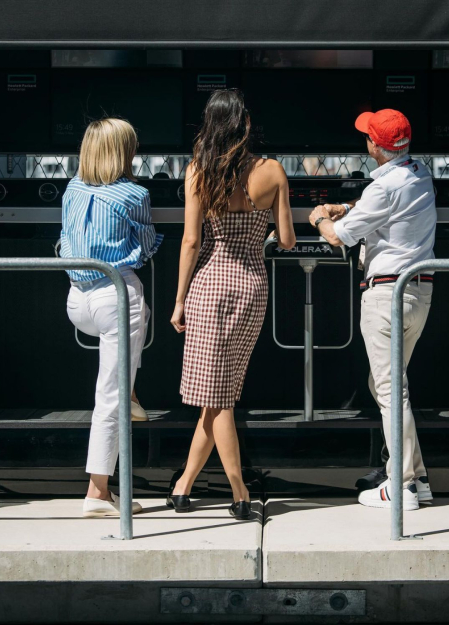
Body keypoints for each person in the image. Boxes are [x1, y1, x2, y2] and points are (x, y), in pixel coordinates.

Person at [170, 89, 296, 519]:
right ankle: (184, 487)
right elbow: (286, 240)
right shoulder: (273, 171)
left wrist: (179, 299)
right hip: (252, 287)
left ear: (210, 126)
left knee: (218, 396)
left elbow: (191, 241)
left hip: (211, 287)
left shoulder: (197, 173)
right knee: (216, 394)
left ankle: (240, 493)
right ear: (244, 124)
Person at [309, 109, 436, 511]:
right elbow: (379, 204)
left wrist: (318, 217)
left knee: (389, 390)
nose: (365, 140)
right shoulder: (420, 173)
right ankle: (418, 478)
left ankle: (399, 487)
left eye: (368, 136)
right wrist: (346, 206)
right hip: (419, 293)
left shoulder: (384, 188)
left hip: (387, 295)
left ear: (377, 146)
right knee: (388, 386)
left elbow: (336, 239)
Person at [60, 118, 163, 517]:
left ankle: (133, 391)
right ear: (124, 152)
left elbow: (67, 237)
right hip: (116, 294)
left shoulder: (71, 188)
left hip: (77, 300)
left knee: (125, 362)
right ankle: (98, 493)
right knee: (110, 396)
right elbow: (148, 244)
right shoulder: (133, 194)